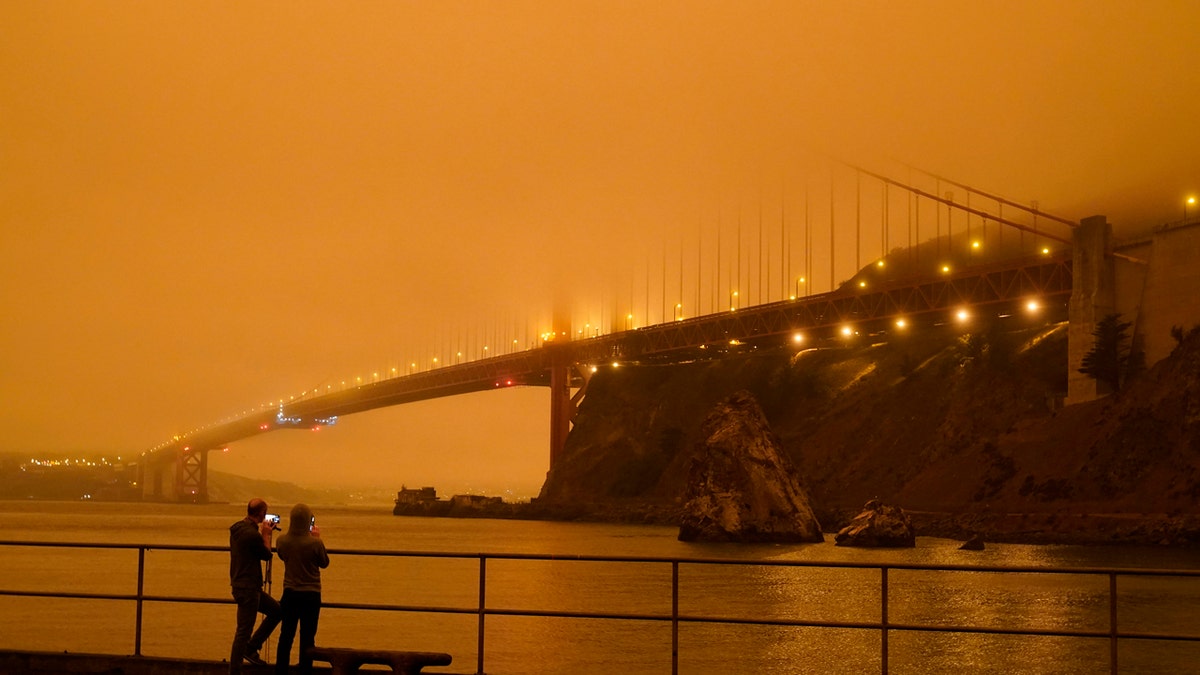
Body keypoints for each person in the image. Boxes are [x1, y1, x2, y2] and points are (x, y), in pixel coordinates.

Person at [275, 503, 330, 675]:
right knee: (307, 637)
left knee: (286, 635)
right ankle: (305, 670)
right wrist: (316, 537)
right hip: (311, 594)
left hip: (290, 592)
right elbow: (324, 563)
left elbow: (282, 556)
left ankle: (281, 670)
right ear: (308, 521)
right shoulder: (315, 543)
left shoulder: (282, 540)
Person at [229, 498, 282, 671]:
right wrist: (266, 535)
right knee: (243, 632)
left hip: (241, 584)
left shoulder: (237, 529)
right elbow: (266, 554)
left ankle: (251, 648)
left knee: (276, 611)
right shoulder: (252, 535)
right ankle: (235, 669)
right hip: (248, 587)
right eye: (265, 512)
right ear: (261, 513)